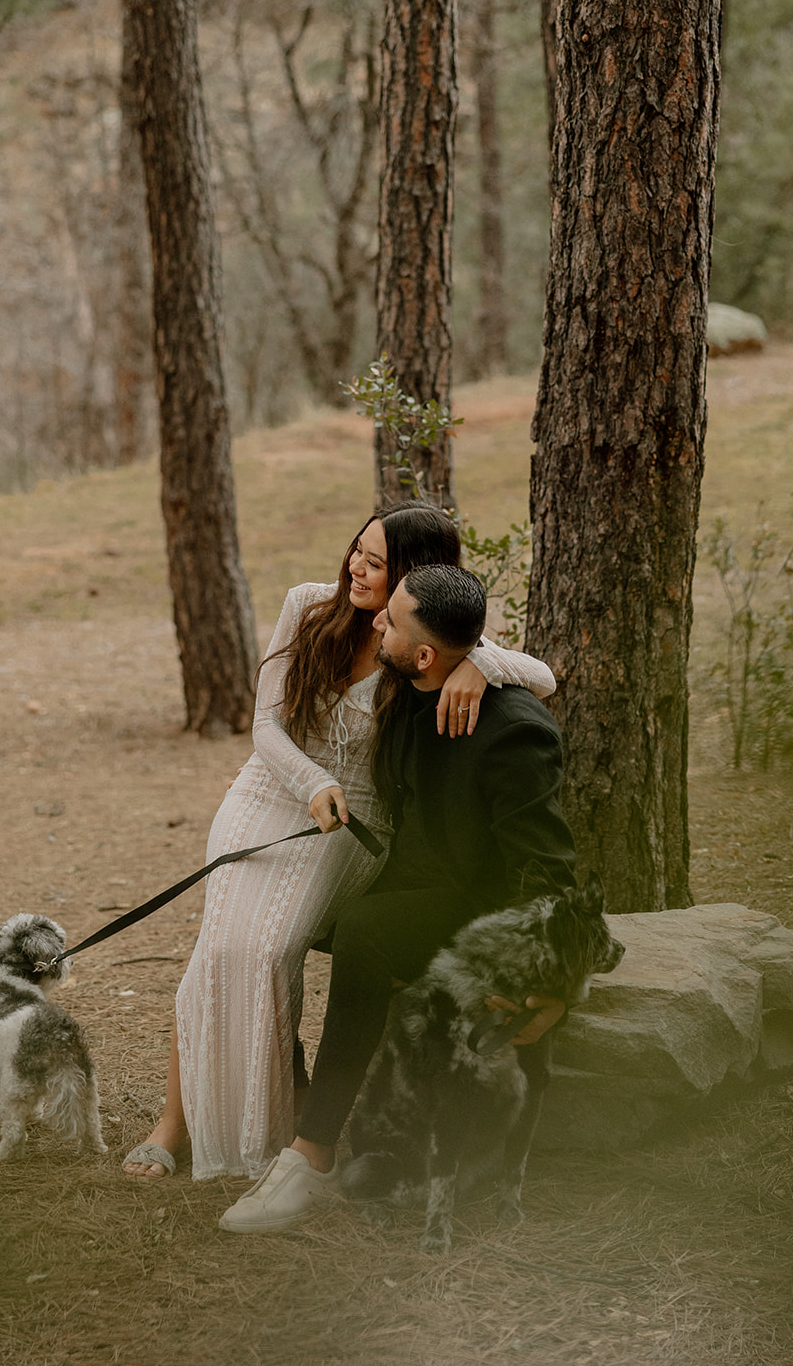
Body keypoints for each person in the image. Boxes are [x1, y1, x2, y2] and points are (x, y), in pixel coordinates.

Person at [123, 506, 558, 1182]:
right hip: (272, 789)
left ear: (413, 578)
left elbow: (543, 677)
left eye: (377, 563)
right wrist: (310, 780)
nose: (356, 568)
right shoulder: (306, 606)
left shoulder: (420, 635)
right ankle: (175, 1121)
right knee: (219, 943)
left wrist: (479, 665)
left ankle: (276, 1121)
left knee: (266, 948)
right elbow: (265, 726)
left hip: (356, 821)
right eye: (357, 551)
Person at [217, 563, 576, 1232]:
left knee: (365, 930)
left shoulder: (516, 735)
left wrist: (548, 985)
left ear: (423, 653)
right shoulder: (411, 680)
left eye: (392, 616)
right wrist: (474, 663)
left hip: (477, 906)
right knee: (268, 923)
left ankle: (311, 1152)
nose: (375, 618)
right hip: (411, 873)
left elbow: (547, 869)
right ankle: (293, 1104)